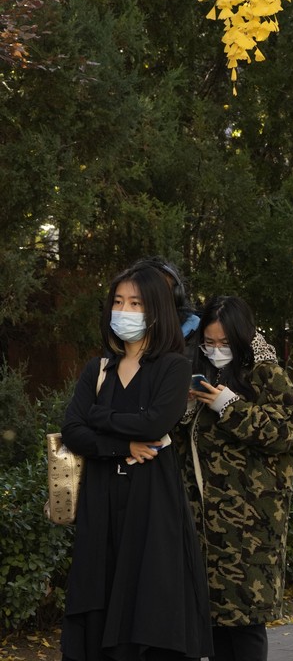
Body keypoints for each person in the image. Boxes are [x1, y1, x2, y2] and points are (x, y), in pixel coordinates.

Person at [59, 264, 212, 661]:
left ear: (157, 311)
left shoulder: (174, 367)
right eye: (118, 302)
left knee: (150, 605)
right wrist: (123, 444)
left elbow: (156, 422)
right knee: (100, 597)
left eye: (136, 303)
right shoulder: (98, 369)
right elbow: (72, 430)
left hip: (152, 505)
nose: (124, 310)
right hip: (101, 505)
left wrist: (99, 419)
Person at [179, 296, 293, 661]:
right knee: (210, 621)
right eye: (209, 343)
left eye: (224, 343)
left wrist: (227, 406)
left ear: (242, 338)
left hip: (250, 527)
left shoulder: (267, 374)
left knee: (245, 621)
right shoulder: (200, 374)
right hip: (203, 526)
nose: (216, 351)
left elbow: (281, 432)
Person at [127, 256, 201, 343]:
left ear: (176, 297)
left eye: (162, 293)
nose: (155, 301)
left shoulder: (201, 337)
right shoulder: (119, 338)